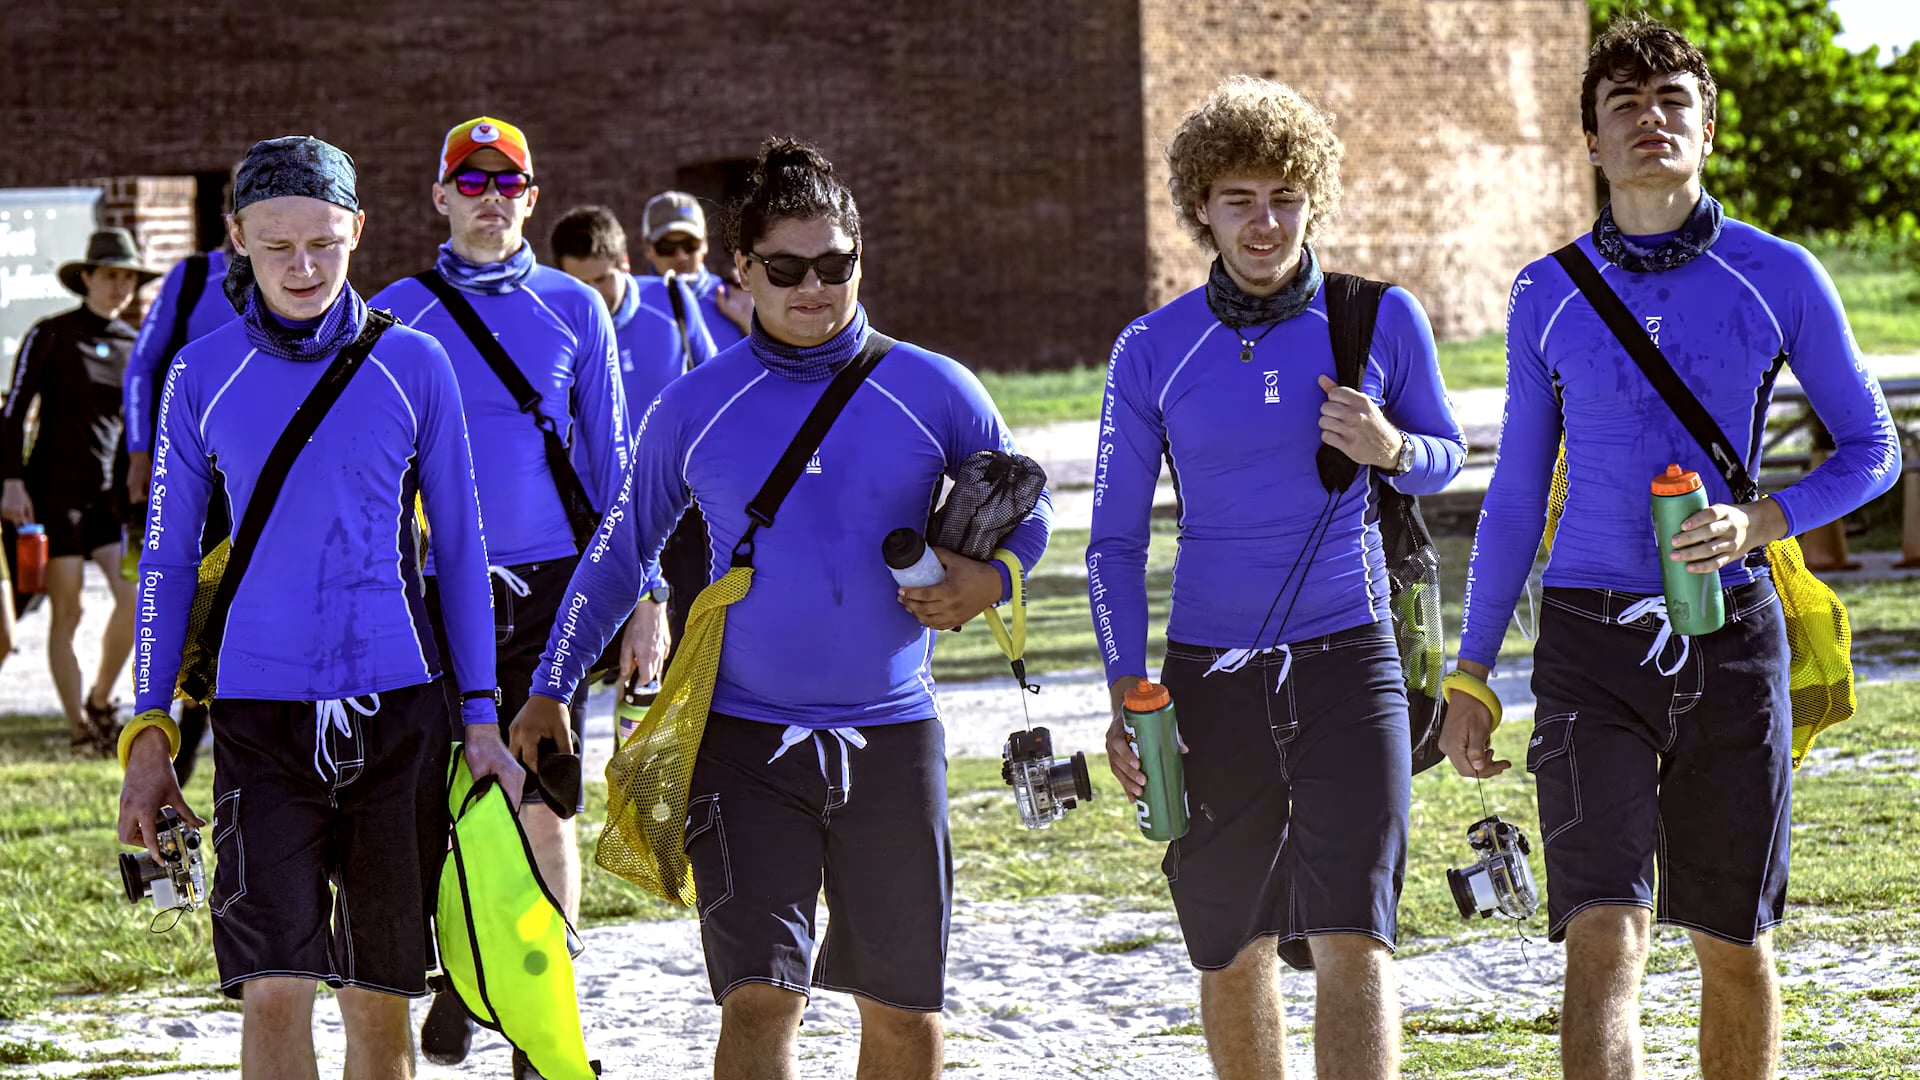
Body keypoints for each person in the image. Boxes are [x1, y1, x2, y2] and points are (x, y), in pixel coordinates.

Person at [515, 136, 1052, 1080]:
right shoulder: (695, 404)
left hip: (892, 738)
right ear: (742, 269)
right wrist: (553, 684)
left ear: (859, 258)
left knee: (904, 1011)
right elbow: (619, 547)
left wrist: (990, 581)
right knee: (761, 997)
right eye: (787, 267)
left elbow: (1029, 502)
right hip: (743, 742)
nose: (814, 286)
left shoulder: (935, 387)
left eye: (835, 264)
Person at [1442, 19, 1901, 1080]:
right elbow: (1515, 493)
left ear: (1707, 127)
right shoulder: (1544, 291)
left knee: (1732, 942)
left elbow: (1872, 449)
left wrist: (1762, 522)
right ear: (1592, 144)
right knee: (1604, 935)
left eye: (1672, 102)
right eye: (1625, 107)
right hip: (1586, 640)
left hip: (1730, 632)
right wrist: (1472, 671)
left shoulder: (1777, 274)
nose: (1652, 121)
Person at [114, 134, 519, 1079]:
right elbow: (167, 563)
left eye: (325, 244)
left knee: (380, 1003)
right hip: (258, 720)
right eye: (278, 245)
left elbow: (461, 549)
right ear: (237, 241)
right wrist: (149, 735)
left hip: (401, 715)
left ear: (359, 233)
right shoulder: (199, 374)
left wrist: (483, 716)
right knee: (275, 987)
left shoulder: (416, 365)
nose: (303, 267)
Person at [1087, 76, 1465, 1080]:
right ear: (1200, 207)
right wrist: (1129, 687)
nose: (1265, 222)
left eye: (1286, 196)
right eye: (1240, 199)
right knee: (1231, 943)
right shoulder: (1152, 349)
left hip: (1354, 659)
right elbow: (1113, 544)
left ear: (1316, 199)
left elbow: (1449, 453)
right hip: (1206, 676)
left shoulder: (1380, 319)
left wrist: (1391, 448)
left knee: (1354, 932)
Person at [367, 116, 629, 1072]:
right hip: (431, 593)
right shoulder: (394, 311)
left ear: (531, 194)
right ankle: (456, 977)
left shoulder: (575, 309)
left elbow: (614, 468)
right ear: (440, 197)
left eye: (505, 183)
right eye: (468, 183)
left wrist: (640, 599)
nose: (488, 199)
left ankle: (537, 1018)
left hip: (551, 591)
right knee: (436, 798)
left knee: (543, 800)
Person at [1, 227, 157, 754]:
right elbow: (13, 412)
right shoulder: (50, 334)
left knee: (134, 601)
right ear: (86, 276)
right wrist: (11, 479)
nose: (120, 287)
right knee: (68, 611)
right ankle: (76, 730)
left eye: (129, 279)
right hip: (52, 494)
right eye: (111, 276)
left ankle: (99, 701)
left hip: (110, 500)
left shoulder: (135, 348)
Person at [551, 204, 716, 662]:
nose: (594, 298)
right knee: (587, 665)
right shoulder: (556, 326)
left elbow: (718, 391)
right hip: (592, 519)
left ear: (625, 263)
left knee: (674, 666)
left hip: (676, 513)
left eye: (603, 281)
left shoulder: (673, 303)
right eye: (581, 286)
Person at [124, 182, 242, 784]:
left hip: (262, 478)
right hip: (196, 472)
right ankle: (174, 753)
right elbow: (144, 365)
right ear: (232, 218)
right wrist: (142, 451)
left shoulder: (302, 284)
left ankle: (236, 758)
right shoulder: (193, 277)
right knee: (194, 604)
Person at [642, 190, 753, 351]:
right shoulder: (635, 306)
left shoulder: (737, 297)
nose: (681, 256)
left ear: (705, 243)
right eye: (667, 247)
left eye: (690, 245)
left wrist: (753, 326)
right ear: (648, 250)